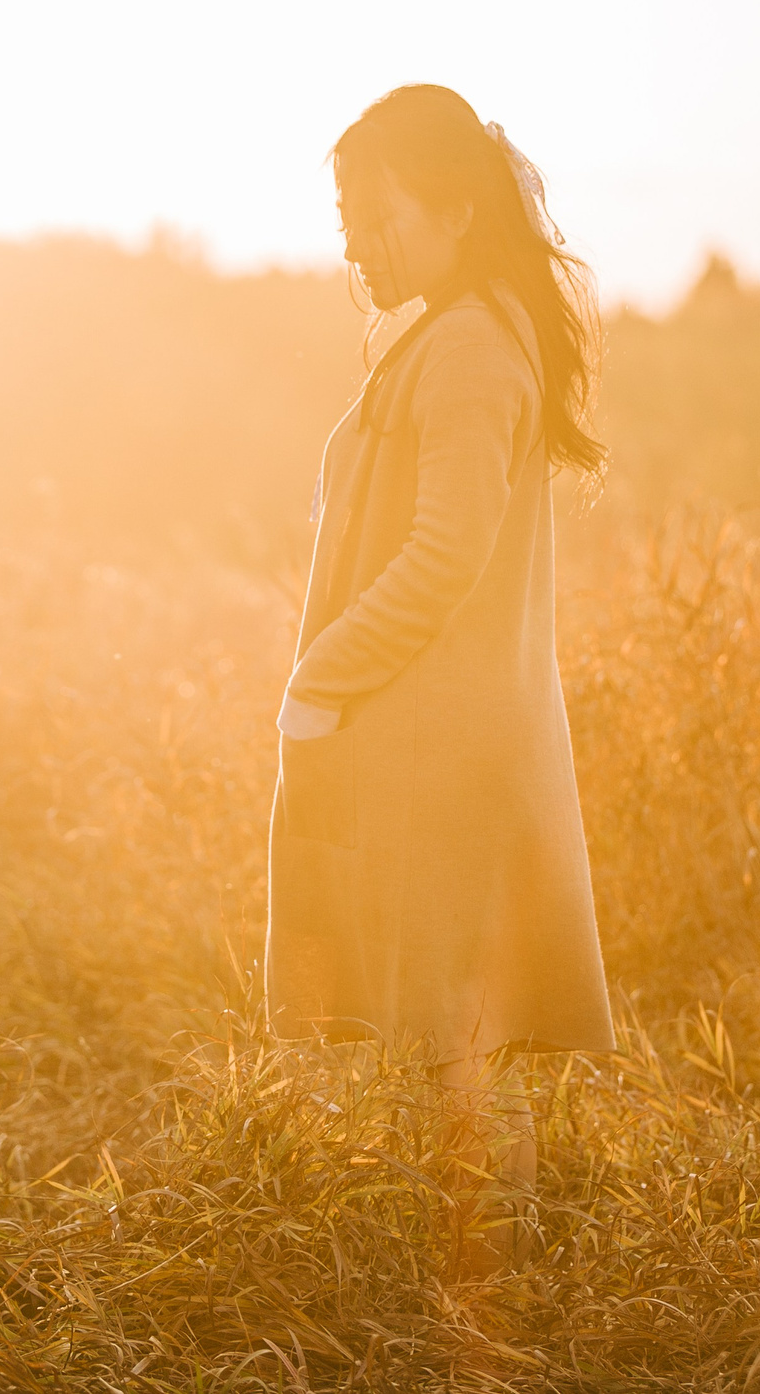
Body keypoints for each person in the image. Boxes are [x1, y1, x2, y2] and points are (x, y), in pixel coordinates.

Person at [265, 83, 617, 1280]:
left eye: (378, 210)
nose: (357, 239)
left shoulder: (468, 347)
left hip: (444, 744)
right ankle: (457, 1290)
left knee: (451, 1042)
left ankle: (469, 1305)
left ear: (458, 209)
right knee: (447, 1039)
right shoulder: (457, 328)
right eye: (347, 211)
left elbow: (446, 552)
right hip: (434, 732)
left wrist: (320, 676)